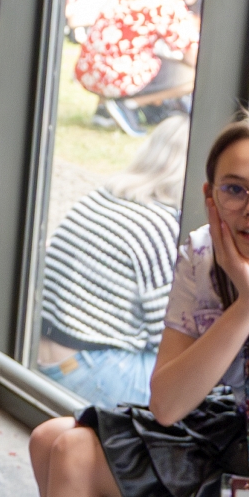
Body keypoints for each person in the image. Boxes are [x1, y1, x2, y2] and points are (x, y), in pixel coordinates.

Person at [29, 113, 249, 497]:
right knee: (54, 440)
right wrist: (248, 303)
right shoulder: (204, 258)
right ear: (210, 197)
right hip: (243, 439)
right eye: (236, 190)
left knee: (70, 447)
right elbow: (168, 404)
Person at [38, 121, 185, 407]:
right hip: (89, 368)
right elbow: (169, 338)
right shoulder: (161, 225)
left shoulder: (103, 195)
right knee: (200, 386)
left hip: (48, 356)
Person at [74, 0, 203, 136]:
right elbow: (192, 54)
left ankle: (103, 110)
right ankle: (129, 105)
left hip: (87, 70)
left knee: (124, 49)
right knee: (193, 75)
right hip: (116, 77)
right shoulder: (167, 0)